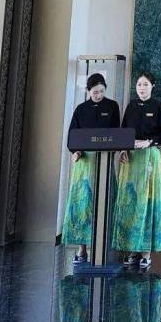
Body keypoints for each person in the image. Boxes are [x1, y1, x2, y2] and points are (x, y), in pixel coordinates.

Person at [112, 72, 161, 270]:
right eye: (139, 84)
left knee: (147, 203)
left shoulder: (159, 107)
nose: (142, 88)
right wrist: (123, 149)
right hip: (131, 159)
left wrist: (149, 142)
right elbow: (123, 131)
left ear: (153, 86)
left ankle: (146, 252)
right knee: (131, 203)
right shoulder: (131, 107)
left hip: (149, 158)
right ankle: (132, 250)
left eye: (145, 84)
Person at [62, 73, 121, 265]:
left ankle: (105, 247)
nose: (99, 95)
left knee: (106, 200)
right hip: (85, 162)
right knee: (83, 204)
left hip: (104, 160)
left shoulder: (112, 106)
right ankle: (82, 249)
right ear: (88, 91)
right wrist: (75, 151)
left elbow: (116, 133)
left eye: (102, 91)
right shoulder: (81, 109)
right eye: (95, 92)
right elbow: (73, 135)